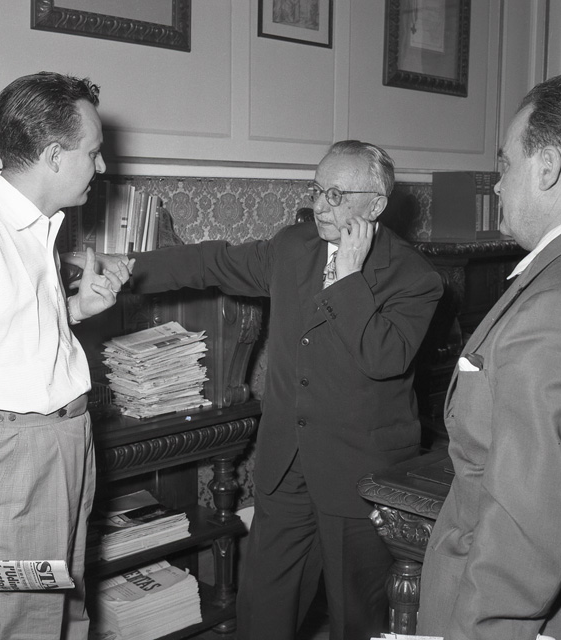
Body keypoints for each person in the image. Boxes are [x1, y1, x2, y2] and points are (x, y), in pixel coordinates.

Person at [74, 140, 443, 639]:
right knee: (263, 608)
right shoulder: (294, 247)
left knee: (357, 617)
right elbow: (213, 262)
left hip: (357, 473)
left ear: (375, 205)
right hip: (287, 462)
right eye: (317, 190)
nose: (320, 206)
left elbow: (385, 358)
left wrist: (349, 279)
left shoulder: (414, 277)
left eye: (336, 195)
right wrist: (126, 265)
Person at [417, 69, 561, 640]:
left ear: (547, 168)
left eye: (506, 164)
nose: (497, 186)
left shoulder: (557, 307)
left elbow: (523, 530)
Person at [0, 71, 133, 639]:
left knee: (63, 614)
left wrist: (75, 310)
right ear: (52, 155)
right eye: (92, 153)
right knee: (20, 623)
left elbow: (3, 333)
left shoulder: (36, 228)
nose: (101, 166)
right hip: (15, 461)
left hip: (64, 444)